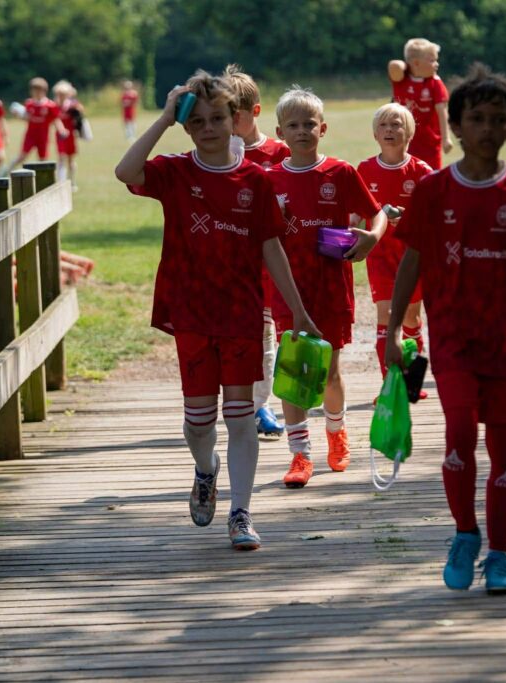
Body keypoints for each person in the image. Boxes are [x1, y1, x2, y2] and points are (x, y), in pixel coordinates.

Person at [114, 70, 319, 551]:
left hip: (241, 313)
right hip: (191, 312)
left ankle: (241, 513)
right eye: (198, 121)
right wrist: (165, 117)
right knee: (199, 423)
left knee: (241, 417)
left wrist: (298, 310)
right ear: (187, 126)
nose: (208, 128)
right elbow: (126, 172)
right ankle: (206, 469)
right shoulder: (175, 171)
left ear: (236, 119)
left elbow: (271, 247)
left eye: (218, 118)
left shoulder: (256, 180)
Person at [386, 63, 506, 594]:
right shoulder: (433, 191)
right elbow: (412, 261)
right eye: (476, 118)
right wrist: (393, 330)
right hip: (454, 341)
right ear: (457, 126)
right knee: (460, 432)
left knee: (504, 445)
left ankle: (501, 555)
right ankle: (465, 533)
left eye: (498, 119)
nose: (487, 128)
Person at [267, 86, 387, 488]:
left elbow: (376, 215)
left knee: (329, 370)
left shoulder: (340, 173)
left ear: (323, 128)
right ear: (280, 132)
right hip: (288, 291)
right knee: (292, 370)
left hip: (331, 288)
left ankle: (336, 433)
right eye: (293, 125)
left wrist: (371, 238)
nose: (302, 131)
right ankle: (300, 454)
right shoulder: (269, 180)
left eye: (309, 124)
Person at [223, 64, 291, 439]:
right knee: (247, 337)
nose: (231, 124)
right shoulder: (217, 153)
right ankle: (249, 404)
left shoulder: (279, 152)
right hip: (234, 265)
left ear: (256, 111)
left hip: (274, 262)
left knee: (274, 336)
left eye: (238, 115)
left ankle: (262, 403)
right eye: (224, 115)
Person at [356, 103, 432, 390]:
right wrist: (348, 230)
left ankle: (412, 383)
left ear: (409, 133)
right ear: (375, 134)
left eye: (396, 124)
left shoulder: (422, 171)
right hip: (380, 256)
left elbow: (435, 217)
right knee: (386, 316)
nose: (389, 130)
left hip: (412, 257)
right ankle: (390, 386)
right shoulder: (364, 170)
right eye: (383, 125)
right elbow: (354, 213)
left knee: (411, 318)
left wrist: (408, 218)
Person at [387, 38, 453, 169]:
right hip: (402, 141)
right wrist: (406, 66)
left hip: (430, 144)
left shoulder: (435, 82)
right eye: (432, 60)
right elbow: (394, 66)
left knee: (431, 176)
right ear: (416, 63)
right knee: (404, 176)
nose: (436, 64)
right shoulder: (401, 79)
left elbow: (442, 111)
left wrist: (446, 138)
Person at [5, 77, 65, 171]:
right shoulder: (29, 103)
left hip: (43, 136)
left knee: (43, 160)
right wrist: (18, 115)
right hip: (30, 135)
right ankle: (6, 171)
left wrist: (62, 130)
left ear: (44, 91)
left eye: (39, 90)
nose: (36, 93)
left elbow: (56, 119)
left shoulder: (50, 105)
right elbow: (27, 118)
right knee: (22, 156)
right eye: (34, 90)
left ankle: (43, 177)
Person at [53, 80, 84, 189]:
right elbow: (54, 120)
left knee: (71, 160)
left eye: (63, 94)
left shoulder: (72, 105)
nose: (61, 96)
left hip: (71, 135)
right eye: (59, 94)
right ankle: (61, 182)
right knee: (61, 158)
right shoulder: (55, 106)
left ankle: (72, 182)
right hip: (60, 136)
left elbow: (80, 114)